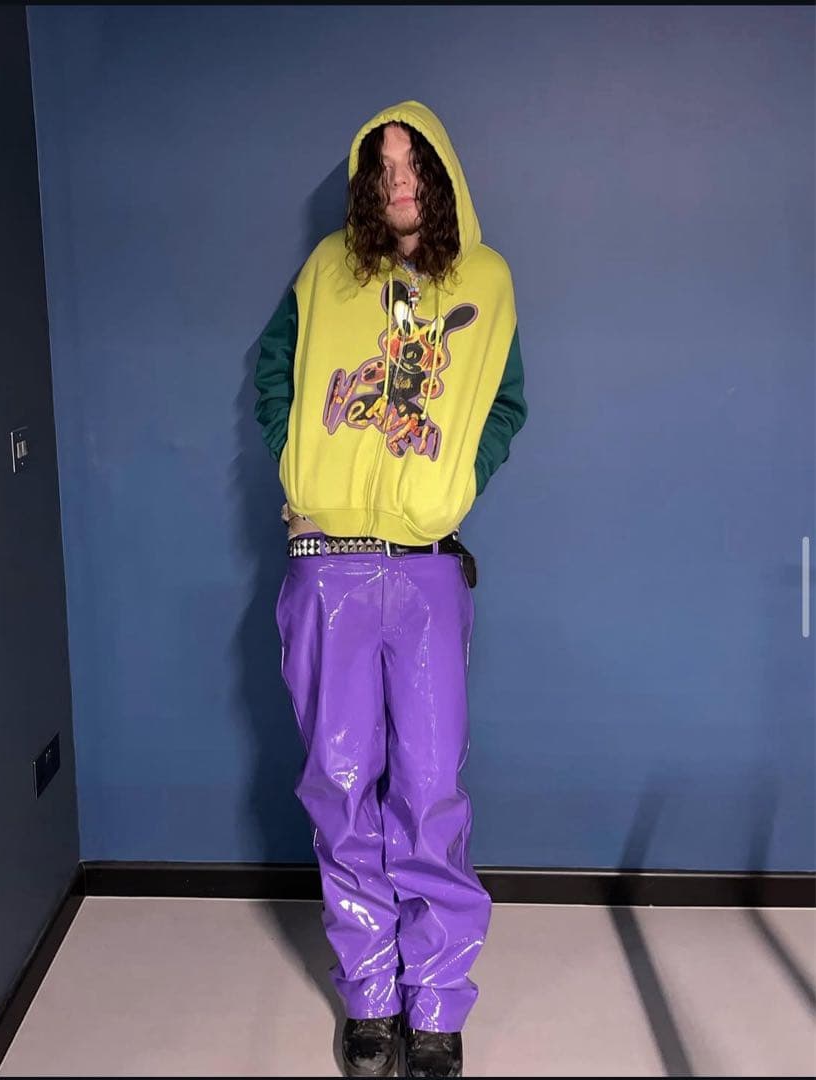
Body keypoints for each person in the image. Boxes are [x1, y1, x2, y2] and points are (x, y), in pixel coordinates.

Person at [254, 100, 527, 1078]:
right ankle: (370, 996)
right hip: (326, 563)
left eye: (414, 164)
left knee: (428, 788)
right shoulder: (325, 273)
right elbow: (276, 376)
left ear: (441, 175)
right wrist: (300, 467)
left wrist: (454, 482)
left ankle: (437, 1002)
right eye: (383, 166)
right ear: (366, 181)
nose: (399, 180)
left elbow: (504, 403)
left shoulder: (485, 282)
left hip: (423, 567)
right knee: (338, 785)